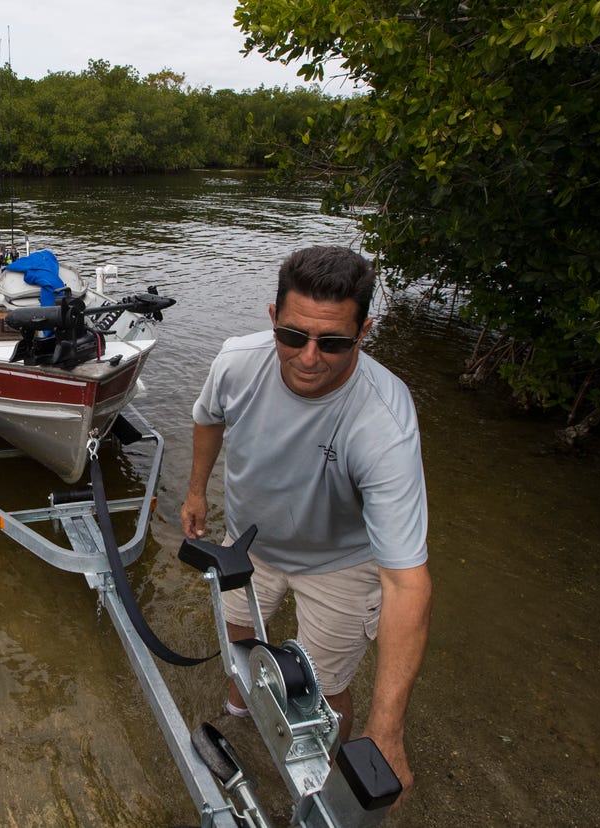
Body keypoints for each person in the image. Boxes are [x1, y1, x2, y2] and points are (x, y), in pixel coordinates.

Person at [180, 245, 432, 806]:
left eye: (333, 342)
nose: (309, 358)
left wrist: (387, 731)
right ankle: (242, 706)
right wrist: (196, 491)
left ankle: (325, 780)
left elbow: (406, 581)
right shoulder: (236, 362)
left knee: (325, 687)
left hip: (340, 562)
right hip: (251, 540)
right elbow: (207, 418)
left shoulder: (384, 421)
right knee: (238, 630)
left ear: (363, 333)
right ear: (273, 317)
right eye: (293, 336)